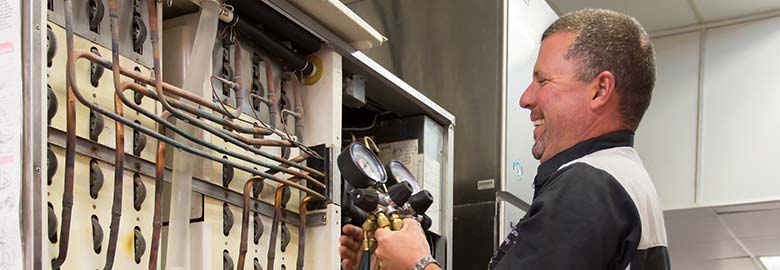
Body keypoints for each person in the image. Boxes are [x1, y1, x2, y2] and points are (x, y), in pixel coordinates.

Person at [339, 8, 670, 270]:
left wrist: (418, 263)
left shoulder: (590, 186)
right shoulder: (626, 181)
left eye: (543, 81)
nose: (525, 98)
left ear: (600, 90)